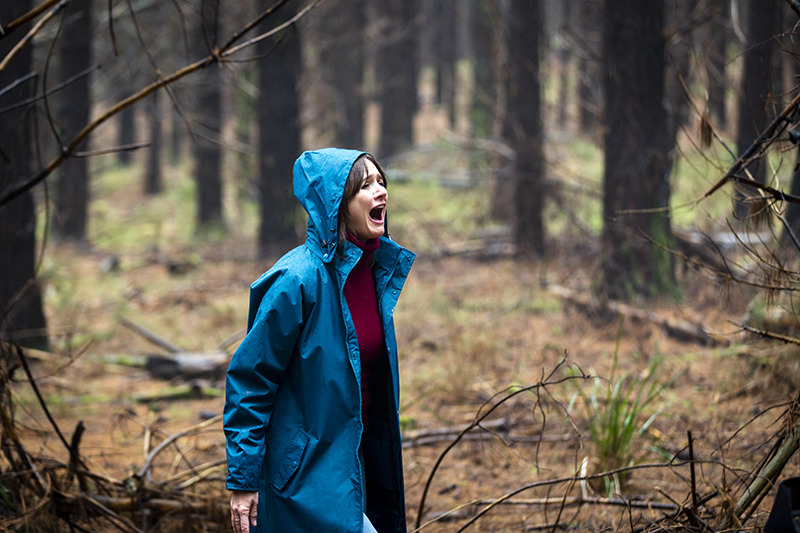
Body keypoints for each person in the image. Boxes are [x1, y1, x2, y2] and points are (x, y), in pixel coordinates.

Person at [224, 148, 415, 533]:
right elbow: (250, 382)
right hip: (306, 475)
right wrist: (243, 480)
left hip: (360, 461)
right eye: (366, 185)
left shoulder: (376, 273)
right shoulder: (296, 280)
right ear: (337, 205)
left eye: (382, 182)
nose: (381, 193)